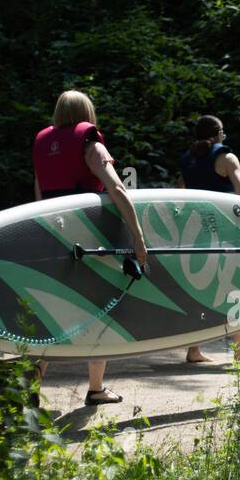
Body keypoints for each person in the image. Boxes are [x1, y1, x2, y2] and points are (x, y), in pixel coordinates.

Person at [33, 90, 148, 405]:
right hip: (91, 238)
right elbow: (118, 188)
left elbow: (39, 198)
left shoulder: (43, 145)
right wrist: (138, 235)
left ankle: (31, 386)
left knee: (52, 311)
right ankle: (96, 389)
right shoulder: (90, 143)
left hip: (55, 236)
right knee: (100, 309)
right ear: (87, 112)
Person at [175, 115, 240, 363]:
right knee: (236, 287)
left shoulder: (188, 159)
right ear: (218, 134)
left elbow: (179, 192)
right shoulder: (226, 157)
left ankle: (193, 350)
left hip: (195, 232)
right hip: (223, 232)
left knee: (201, 289)